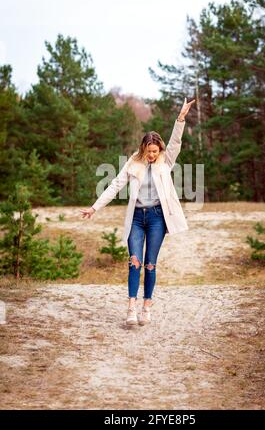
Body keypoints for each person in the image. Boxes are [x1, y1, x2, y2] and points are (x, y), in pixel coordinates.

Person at [80, 97, 195, 326]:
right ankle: (131, 307)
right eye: (148, 151)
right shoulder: (133, 162)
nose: (151, 155)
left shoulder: (166, 160)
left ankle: (146, 306)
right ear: (143, 148)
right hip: (136, 219)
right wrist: (95, 207)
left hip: (157, 219)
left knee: (150, 264)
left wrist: (180, 118)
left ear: (159, 149)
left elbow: (175, 142)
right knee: (134, 261)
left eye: (154, 151)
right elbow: (114, 185)